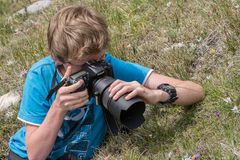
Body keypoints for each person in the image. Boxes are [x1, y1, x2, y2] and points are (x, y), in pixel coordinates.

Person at [8, 5, 204, 160]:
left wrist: (155, 95)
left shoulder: (107, 65)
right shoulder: (40, 76)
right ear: (58, 59)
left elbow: (195, 90)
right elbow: (35, 155)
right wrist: (58, 108)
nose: (95, 69)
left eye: (99, 59)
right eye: (85, 64)